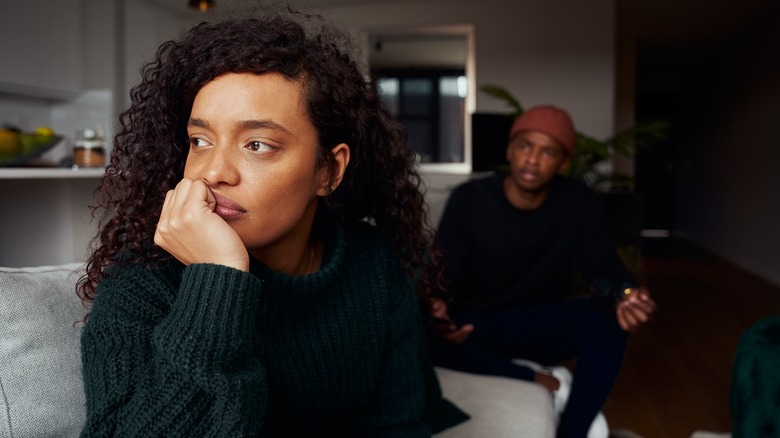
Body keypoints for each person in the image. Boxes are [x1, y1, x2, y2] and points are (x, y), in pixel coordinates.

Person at [75, 8, 466, 436]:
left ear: (329, 171)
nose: (212, 172)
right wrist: (216, 280)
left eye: (257, 144)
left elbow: (397, 424)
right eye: (200, 141)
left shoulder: (373, 264)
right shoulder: (141, 280)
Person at [427, 105, 657, 437]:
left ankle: (571, 432)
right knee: (413, 323)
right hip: (477, 326)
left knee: (608, 319)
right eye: (525, 146)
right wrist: (438, 308)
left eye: (548, 151)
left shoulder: (577, 202)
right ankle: (528, 376)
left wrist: (625, 296)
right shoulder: (470, 199)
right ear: (510, 150)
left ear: (562, 163)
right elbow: (443, 270)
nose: (533, 159)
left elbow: (603, 269)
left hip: (538, 323)